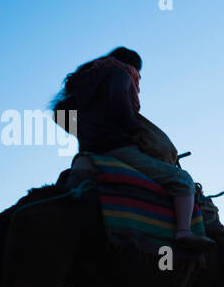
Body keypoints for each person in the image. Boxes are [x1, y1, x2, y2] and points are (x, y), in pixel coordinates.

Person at [53, 47, 212, 247]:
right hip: (118, 150)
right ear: (132, 66)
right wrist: (134, 129)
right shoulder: (120, 72)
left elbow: (59, 114)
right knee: (182, 180)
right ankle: (183, 232)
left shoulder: (83, 83)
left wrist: (88, 134)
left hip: (88, 153)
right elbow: (117, 95)